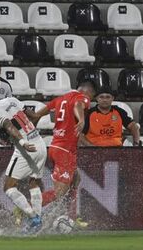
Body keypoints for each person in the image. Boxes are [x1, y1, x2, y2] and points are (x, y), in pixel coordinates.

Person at [28, 80, 95, 227]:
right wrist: (82, 119)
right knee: (59, 193)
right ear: (89, 92)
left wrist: (34, 119)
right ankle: (25, 208)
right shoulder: (82, 98)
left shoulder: (60, 99)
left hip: (54, 147)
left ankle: (72, 216)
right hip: (65, 150)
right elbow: (79, 105)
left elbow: (39, 113)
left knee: (76, 179)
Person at [0, 91, 45, 233]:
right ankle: (37, 223)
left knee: (9, 187)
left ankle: (33, 218)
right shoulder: (12, 100)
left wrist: (22, 141)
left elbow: (9, 126)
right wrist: (29, 133)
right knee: (34, 182)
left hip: (25, 149)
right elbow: (34, 116)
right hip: (40, 144)